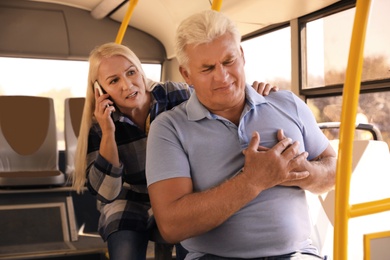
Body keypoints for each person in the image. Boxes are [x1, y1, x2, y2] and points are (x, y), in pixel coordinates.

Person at [145, 10, 337, 260]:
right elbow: (172, 226)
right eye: (207, 68)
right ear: (186, 75)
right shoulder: (168, 128)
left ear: (242, 56)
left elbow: (334, 171)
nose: (222, 76)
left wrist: (302, 172)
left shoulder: (287, 103)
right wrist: (252, 181)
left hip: (299, 254)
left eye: (228, 61)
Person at [72, 42, 278, 260]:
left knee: (192, 248)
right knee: (125, 253)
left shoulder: (176, 94)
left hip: (179, 190)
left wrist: (253, 93)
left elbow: (217, 97)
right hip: (130, 198)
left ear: (140, 72)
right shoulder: (98, 126)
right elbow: (107, 192)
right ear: (100, 90)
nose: (127, 84)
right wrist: (108, 131)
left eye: (131, 72)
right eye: (114, 80)